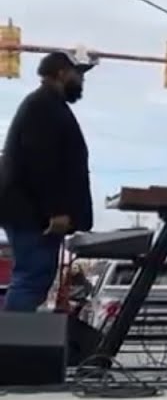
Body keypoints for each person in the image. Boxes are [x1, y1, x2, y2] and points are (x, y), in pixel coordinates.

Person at [0, 50, 96, 312]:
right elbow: (42, 163)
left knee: (34, 278)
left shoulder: (46, 105)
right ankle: (13, 347)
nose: (81, 82)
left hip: (30, 211)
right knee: (32, 278)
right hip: (32, 215)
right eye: (79, 75)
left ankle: (14, 344)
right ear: (62, 73)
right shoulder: (43, 106)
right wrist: (55, 212)